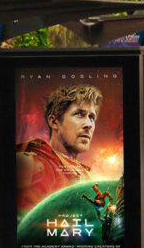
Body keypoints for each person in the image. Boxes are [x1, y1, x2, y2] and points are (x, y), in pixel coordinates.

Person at [16, 84, 102, 213]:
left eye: (91, 117)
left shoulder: (87, 174)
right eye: (79, 114)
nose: (89, 124)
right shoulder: (31, 163)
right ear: (54, 122)